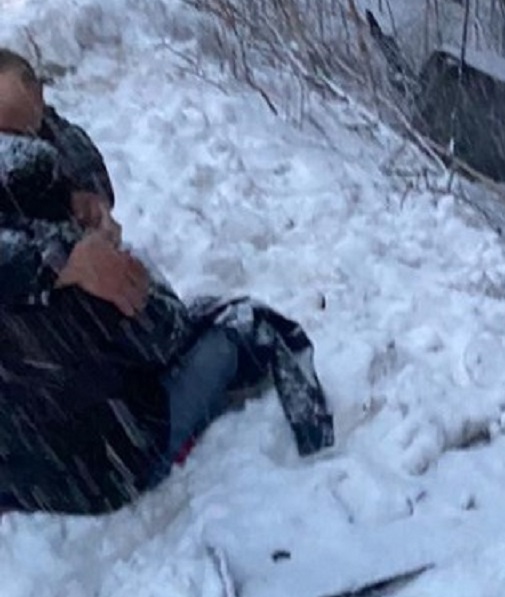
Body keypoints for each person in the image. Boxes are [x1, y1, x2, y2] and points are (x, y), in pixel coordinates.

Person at [0, 49, 335, 515]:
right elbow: (157, 333)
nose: (29, 141)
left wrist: (85, 193)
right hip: (96, 470)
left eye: (30, 127)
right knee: (226, 341)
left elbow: (67, 140)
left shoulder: (41, 198)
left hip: (38, 462)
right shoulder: (58, 260)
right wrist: (70, 261)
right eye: (13, 136)